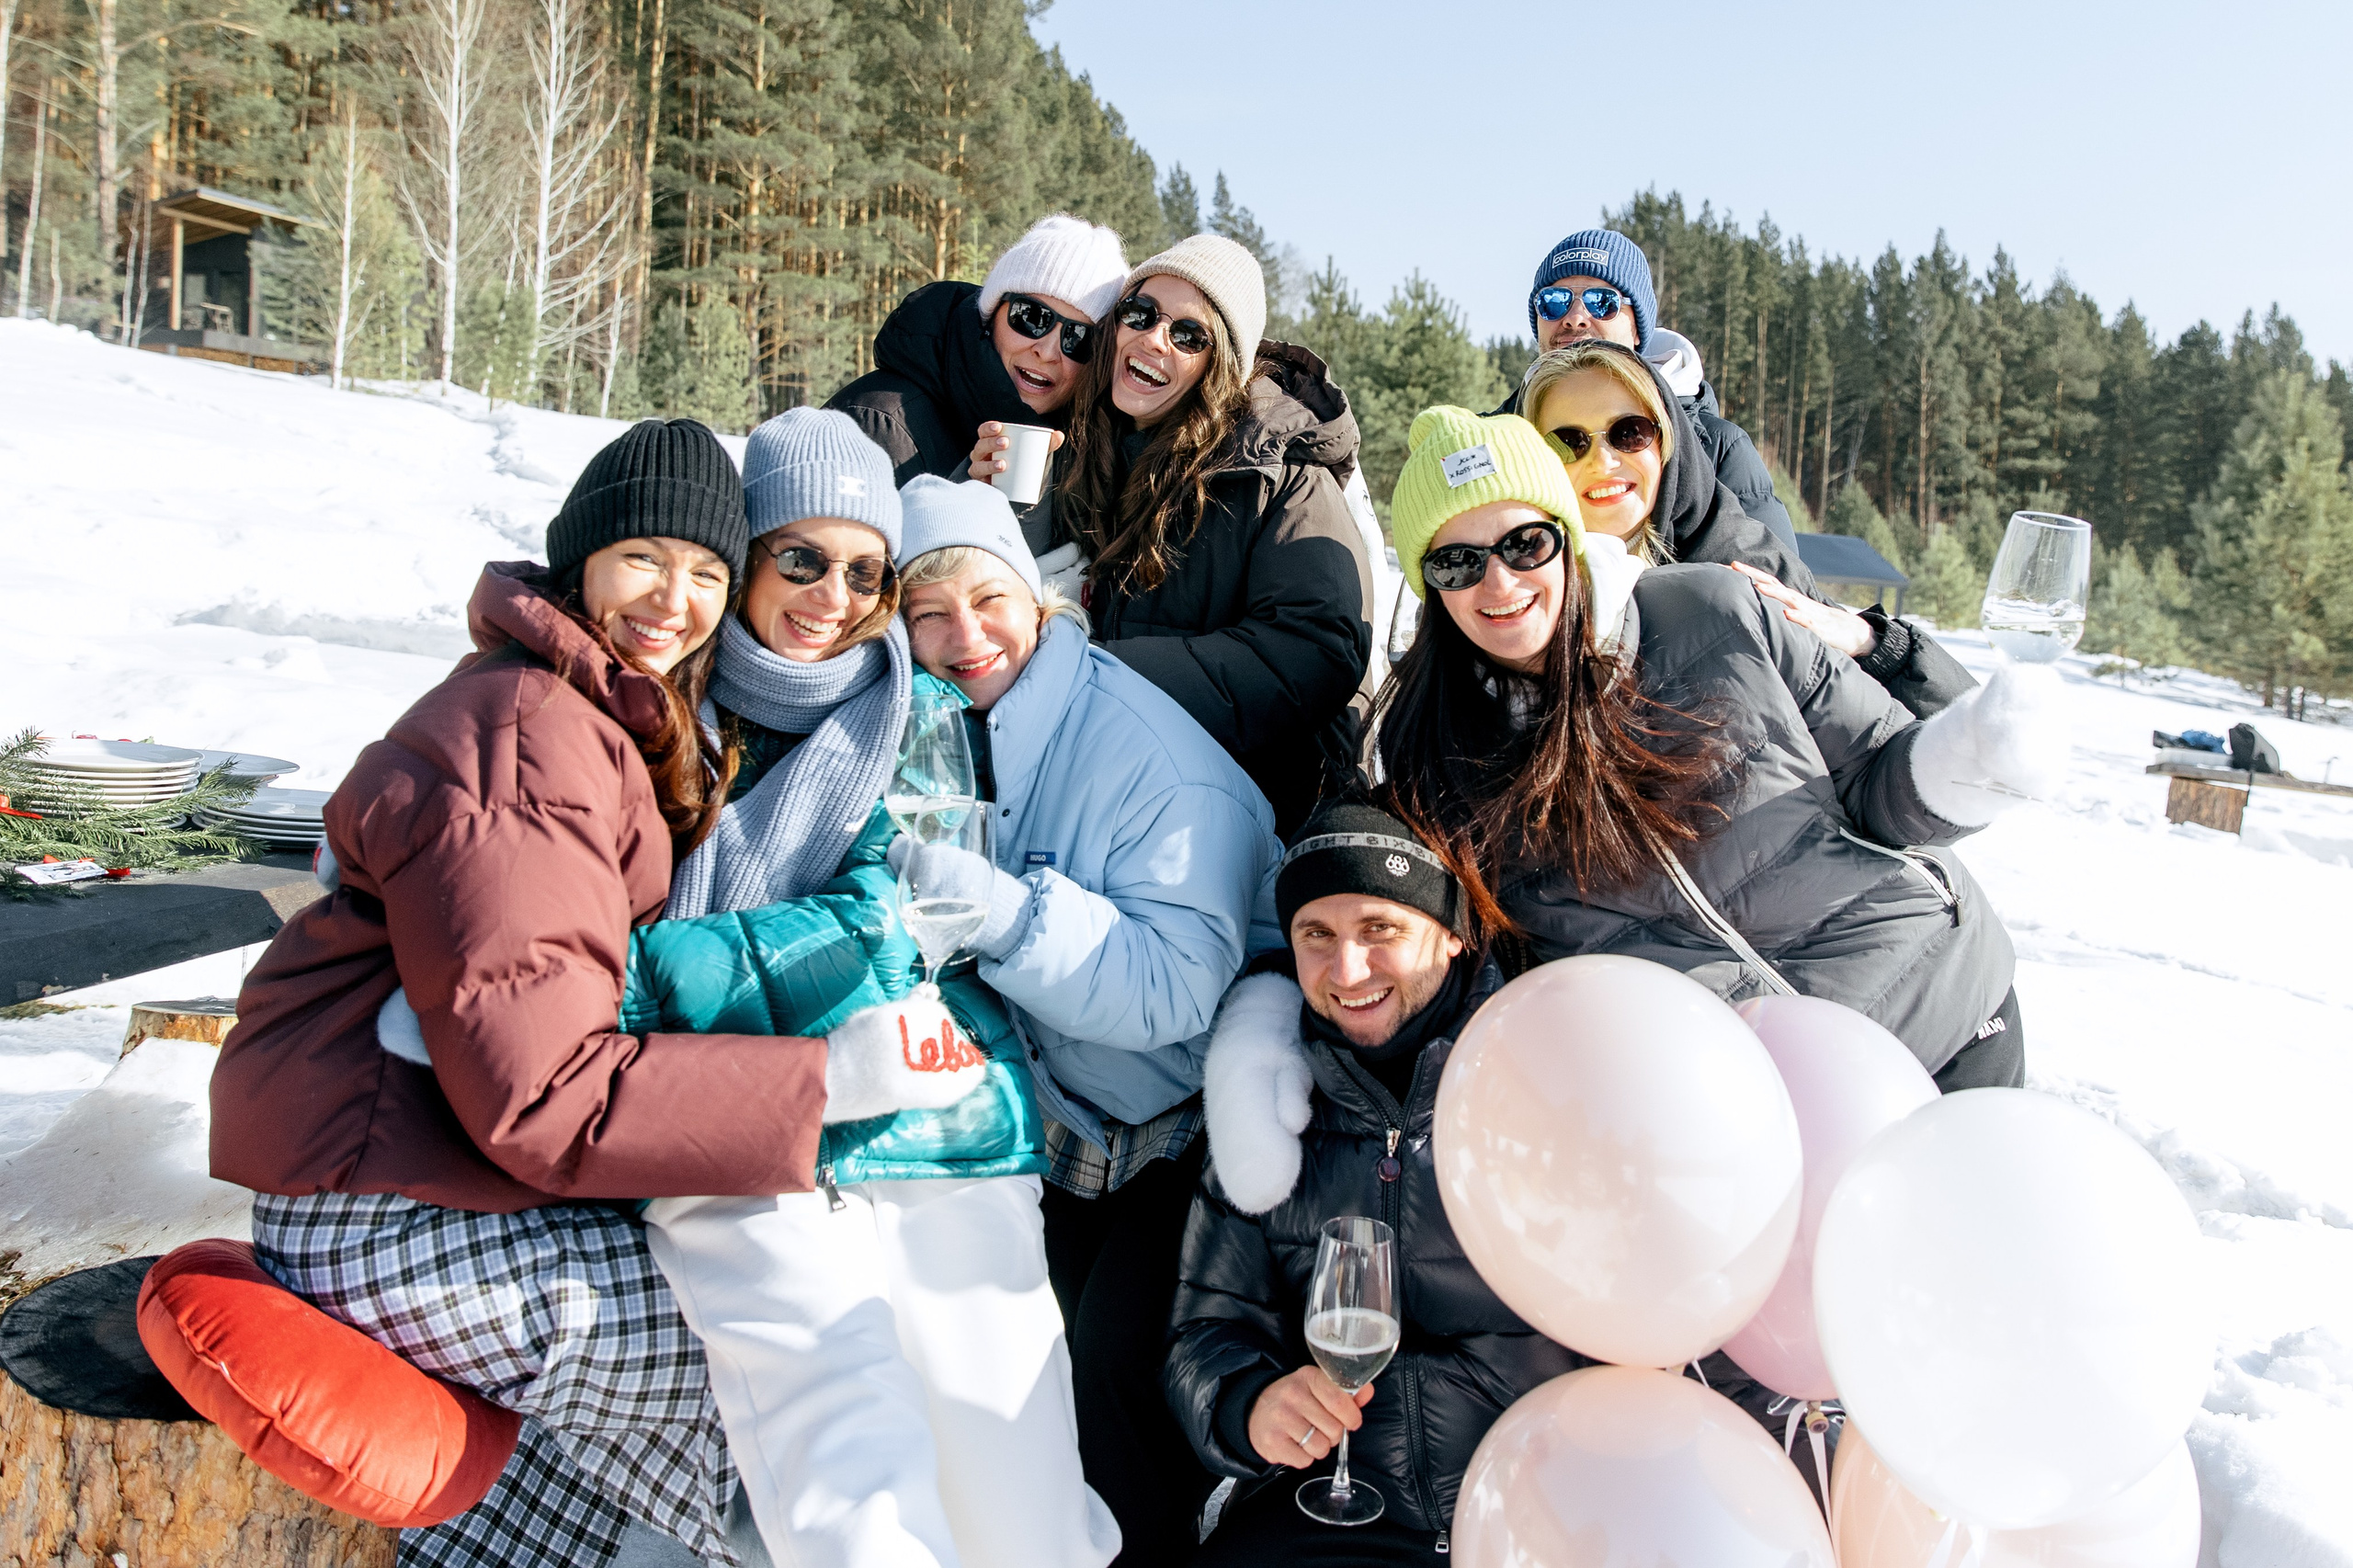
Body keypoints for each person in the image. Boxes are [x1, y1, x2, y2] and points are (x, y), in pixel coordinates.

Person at [210, 419, 984, 1568]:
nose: (674, 599)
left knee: (750, 1392)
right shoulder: (531, 741)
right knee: (785, 1361)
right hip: (386, 1207)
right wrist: (822, 1089)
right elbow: (547, 1096)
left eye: (705, 573)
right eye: (643, 558)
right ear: (580, 557)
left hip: (420, 1164)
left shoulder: (592, 712)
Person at [620, 414, 1114, 1568]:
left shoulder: (913, 711)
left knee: (1023, 1493)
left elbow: (887, 926)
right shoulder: (662, 707)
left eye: (862, 569)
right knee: (852, 1488)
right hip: (733, 1125)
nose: (830, 596)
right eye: (800, 558)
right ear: (744, 555)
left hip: (934, 1113)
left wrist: (644, 977)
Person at [1376, 404, 2058, 1088]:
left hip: (1938, 1006)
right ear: (1429, 585)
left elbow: (1879, 778)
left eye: (1525, 544)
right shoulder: (1438, 760)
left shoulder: (1714, 610)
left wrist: (1964, 759)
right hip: (1755, 1101)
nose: (1499, 582)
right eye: (1456, 563)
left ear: (1568, 536)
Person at [892, 477, 1282, 1566]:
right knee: (969, 1355)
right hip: (1052, 1104)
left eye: (986, 598)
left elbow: (1172, 989)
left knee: (1109, 1369)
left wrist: (1003, 912)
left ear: (1040, 600)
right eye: (928, 609)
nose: (962, 633)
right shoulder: (937, 723)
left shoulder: (1146, 760)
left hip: (1189, 1119)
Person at [1163, 800, 1580, 1562]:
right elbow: (1206, 1330)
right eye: (1315, 936)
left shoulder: (1547, 1080)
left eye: (1379, 930)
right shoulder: (1261, 1104)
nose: (1347, 971)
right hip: (1334, 1510)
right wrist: (1249, 1406)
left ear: (1452, 934)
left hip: (1542, 1506)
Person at [970, 233, 1373, 836]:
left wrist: (1102, 675)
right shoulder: (1088, 449)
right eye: (1141, 314)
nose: (1155, 339)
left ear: (1222, 366)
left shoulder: (1282, 477)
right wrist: (988, 499)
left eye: (1190, 335)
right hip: (1104, 795)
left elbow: (1317, 649)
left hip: (1248, 815)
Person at [1520, 338, 1976, 718]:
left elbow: (1964, 740)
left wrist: (1873, 643)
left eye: (1630, 432)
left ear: (1668, 440)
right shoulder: (1506, 580)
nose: (1602, 461)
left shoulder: (1743, 565)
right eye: (1567, 442)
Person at [829, 213, 1130, 557]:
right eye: (1032, 317)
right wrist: (958, 505)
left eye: (1080, 339)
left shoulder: (1087, 450)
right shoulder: (876, 423)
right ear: (991, 314)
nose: (1046, 351)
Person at [1496, 226, 1797, 546]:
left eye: (1602, 301)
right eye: (1554, 301)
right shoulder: (1496, 440)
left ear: (1638, 329)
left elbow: (1774, 587)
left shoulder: (1718, 449)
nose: (1575, 318)